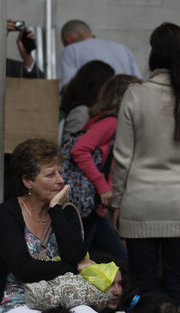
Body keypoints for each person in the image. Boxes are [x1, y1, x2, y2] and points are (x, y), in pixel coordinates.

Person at [0, 138, 107, 313]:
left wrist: (56, 209)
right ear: (28, 181)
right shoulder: (8, 214)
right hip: (14, 305)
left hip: (59, 301)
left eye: (59, 172)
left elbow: (75, 253)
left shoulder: (65, 212)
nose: (61, 180)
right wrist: (73, 268)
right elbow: (24, 269)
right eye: (50, 174)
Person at [112, 22, 180, 305]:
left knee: (144, 287)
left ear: (154, 53)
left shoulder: (135, 94)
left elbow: (122, 157)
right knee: (178, 287)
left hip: (139, 204)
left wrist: (116, 202)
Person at [71, 74, 140, 262]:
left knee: (92, 259)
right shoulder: (111, 122)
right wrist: (103, 187)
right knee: (120, 261)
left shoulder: (104, 120)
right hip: (92, 203)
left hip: (95, 206)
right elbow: (79, 150)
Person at [58, 19, 141, 89]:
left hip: (94, 106)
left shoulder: (71, 50)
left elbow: (67, 86)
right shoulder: (123, 48)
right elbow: (138, 82)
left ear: (67, 39)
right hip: (125, 103)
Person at [60, 60, 115, 141]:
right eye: (109, 85)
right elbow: (69, 146)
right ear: (98, 85)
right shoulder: (81, 112)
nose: (111, 90)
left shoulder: (89, 110)